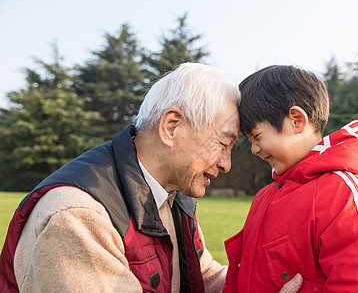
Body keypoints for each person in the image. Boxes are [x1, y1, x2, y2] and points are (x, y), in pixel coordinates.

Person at [0, 63, 303, 293]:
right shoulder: (78, 219)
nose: (226, 164)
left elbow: (206, 275)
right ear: (171, 127)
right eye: (223, 145)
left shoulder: (173, 196)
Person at [223, 65, 358, 292]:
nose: (254, 149)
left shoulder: (346, 196)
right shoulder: (264, 197)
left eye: (257, 136)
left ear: (297, 120)